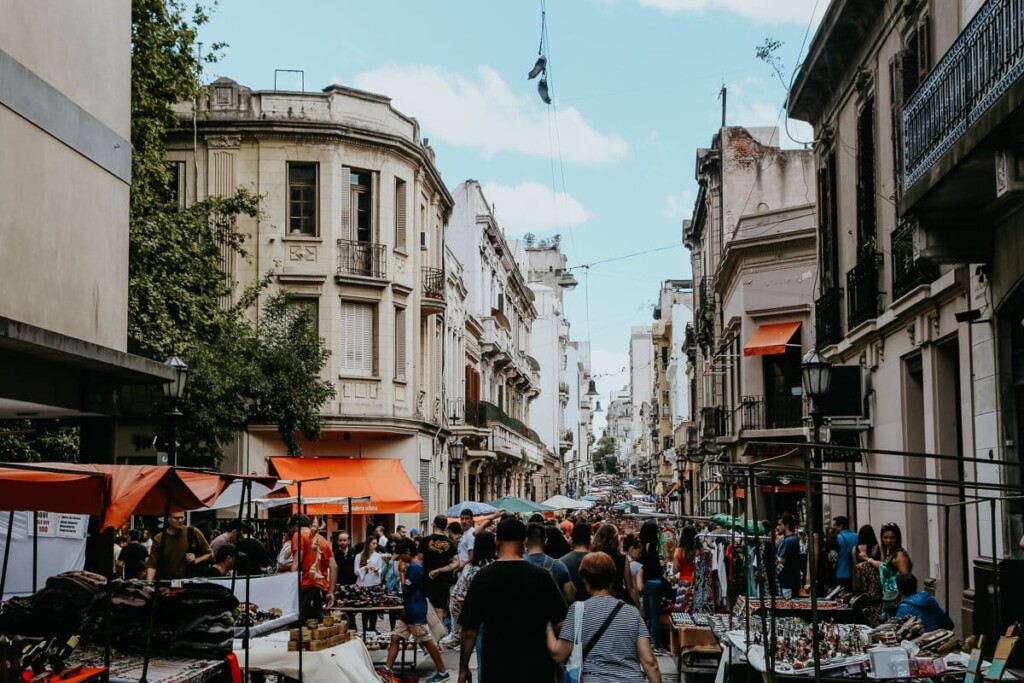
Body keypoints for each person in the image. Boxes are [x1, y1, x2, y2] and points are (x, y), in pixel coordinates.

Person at [457, 517, 567, 683]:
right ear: (524, 541)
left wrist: (463, 668)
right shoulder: (541, 576)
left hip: (496, 667)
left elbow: (469, 631)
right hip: (536, 667)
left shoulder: (483, 577)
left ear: (496, 540)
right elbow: (561, 621)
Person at [546, 552, 663, 683]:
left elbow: (558, 654)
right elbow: (649, 662)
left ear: (585, 580)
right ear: (612, 579)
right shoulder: (632, 613)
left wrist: (548, 627)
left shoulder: (578, 611)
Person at [378, 539, 450, 683]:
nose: (399, 558)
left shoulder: (414, 567)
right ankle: (387, 669)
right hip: (408, 611)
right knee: (395, 636)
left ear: (407, 552)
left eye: (400, 554)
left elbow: (405, 588)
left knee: (427, 641)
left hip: (415, 610)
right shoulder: (416, 566)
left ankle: (443, 672)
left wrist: (401, 572)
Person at [289, 514, 336, 621]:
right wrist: (330, 592)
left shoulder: (299, 535)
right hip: (321, 587)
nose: (291, 532)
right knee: (316, 623)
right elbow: (333, 566)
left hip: (307, 586)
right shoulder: (322, 539)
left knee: (301, 624)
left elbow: (297, 561)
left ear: (296, 525)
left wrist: (290, 584)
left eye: (291, 528)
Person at [146, 513, 213, 580]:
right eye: (176, 518)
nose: (180, 520)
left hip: (189, 582)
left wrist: (196, 560)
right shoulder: (159, 538)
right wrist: (149, 584)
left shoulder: (193, 532)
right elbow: (152, 566)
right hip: (167, 582)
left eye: (182, 517)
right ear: (168, 518)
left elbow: (210, 553)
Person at [636, 521, 669, 656]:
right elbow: (653, 564)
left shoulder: (641, 545)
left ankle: (647, 642)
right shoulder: (652, 545)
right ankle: (657, 644)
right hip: (654, 582)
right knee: (655, 615)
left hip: (645, 582)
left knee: (648, 614)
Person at [592, 523, 642, 609]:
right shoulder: (622, 558)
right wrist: (639, 607)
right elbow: (630, 587)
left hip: (595, 600)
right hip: (617, 600)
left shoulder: (591, 556)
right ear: (616, 539)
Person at [867, 522, 912, 616]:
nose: (888, 540)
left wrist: (904, 604)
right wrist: (869, 560)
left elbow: (906, 581)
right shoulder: (890, 553)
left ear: (897, 539)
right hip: (888, 599)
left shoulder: (900, 555)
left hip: (897, 602)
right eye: (885, 537)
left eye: (892, 537)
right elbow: (884, 566)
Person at [421, 515, 459, 624]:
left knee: (427, 608)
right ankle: (438, 637)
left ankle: (428, 636)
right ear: (446, 526)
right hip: (443, 581)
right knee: (440, 610)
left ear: (434, 525)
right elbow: (457, 562)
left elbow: (419, 561)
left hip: (427, 580)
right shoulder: (450, 543)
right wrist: (441, 570)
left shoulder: (425, 541)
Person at [526, 522, 576, 604]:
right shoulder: (558, 565)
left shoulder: (517, 566)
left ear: (525, 541)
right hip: (552, 615)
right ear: (546, 541)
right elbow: (570, 596)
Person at [355, 536, 384, 632]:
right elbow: (356, 571)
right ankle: (364, 628)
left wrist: (377, 570)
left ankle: (372, 627)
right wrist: (365, 568)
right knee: (365, 607)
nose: (375, 545)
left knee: (374, 607)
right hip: (363, 584)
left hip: (374, 583)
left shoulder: (378, 556)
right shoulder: (359, 556)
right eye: (373, 543)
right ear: (368, 544)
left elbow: (380, 569)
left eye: (376, 543)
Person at [560, 523, 593, 603]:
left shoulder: (561, 563)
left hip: (571, 611)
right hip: (596, 610)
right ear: (590, 541)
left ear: (571, 540)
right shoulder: (599, 561)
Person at [776, 514, 802, 599]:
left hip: (788, 582)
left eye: (780, 524)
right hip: (789, 581)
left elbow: (782, 562)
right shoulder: (788, 539)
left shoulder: (789, 541)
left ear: (787, 525)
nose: (778, 527)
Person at [832, 516, 859, 589]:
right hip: (855, 574)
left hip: (840, 574)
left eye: (834, 525)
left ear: (840, 526)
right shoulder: (857, 536)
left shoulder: (836, 538)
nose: (833, 528)